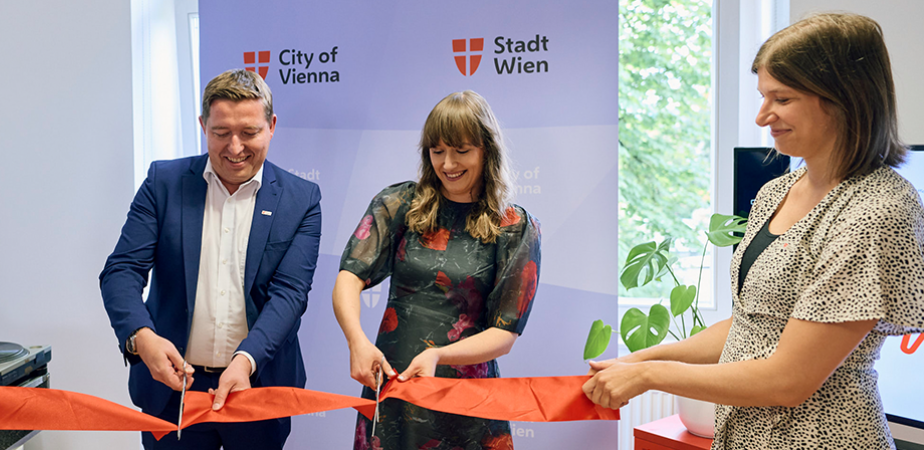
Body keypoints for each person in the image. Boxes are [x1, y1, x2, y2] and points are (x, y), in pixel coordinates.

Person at [582, 13, 924, 450]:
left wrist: (649, 375)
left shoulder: (877, 210)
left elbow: (788, 380)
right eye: (763, 97)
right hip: (745, 434)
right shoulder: (778, 191)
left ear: (843, 98)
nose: (763, 117)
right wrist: (639, 358)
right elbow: (750, 327)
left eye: (781, 99)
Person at [100, 68, 321, 450]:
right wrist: (141, 338)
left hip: (257, 386)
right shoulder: (163, 183)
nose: (235, 147)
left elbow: (289, 294)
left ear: (271, 126)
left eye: (249, 132)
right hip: (173, 391)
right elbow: (121, 270)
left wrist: (247, 360)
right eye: (221, 133)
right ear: (203, 125)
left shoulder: (301, 199)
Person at [333, 90, 542, 450]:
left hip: (466, 399)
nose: (448, 164)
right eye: (437, 150)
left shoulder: (513, 226)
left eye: (461, 150)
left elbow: (505, 334)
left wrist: (438, 355)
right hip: (394, 385)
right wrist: (357, 342)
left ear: (486, 150)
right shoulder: (399, 204)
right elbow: (350, 276)